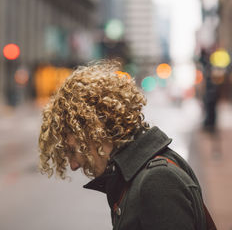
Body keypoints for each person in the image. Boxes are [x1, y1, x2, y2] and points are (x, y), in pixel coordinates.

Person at [38, 60, 216, 230]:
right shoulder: (136, 175)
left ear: (92, 130)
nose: (74, 165)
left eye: (71, 150)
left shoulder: (157, 181)